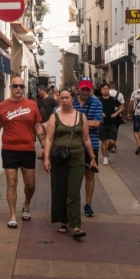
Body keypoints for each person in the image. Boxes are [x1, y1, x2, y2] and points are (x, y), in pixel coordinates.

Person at [43, 88, 96, 239]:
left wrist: (92, 157)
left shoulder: (81, 117)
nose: (65, 100)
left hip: (77, 159)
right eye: (62, 98)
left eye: (67, 97)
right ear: (58, 99)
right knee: (60, 190)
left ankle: (76, 226)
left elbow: (86, 140)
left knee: (73, 192)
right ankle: (64, 221)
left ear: (73, 99)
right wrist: (46, 158)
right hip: (58, 160)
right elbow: (48, 139)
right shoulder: (54, 117)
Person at [0, 76, 44, 228]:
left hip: (27, 149)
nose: (18, 89)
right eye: (15, 86)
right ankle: (13, 215)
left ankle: (26, 204)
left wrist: (45, 145)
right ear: (10, 88)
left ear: (24, 88)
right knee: (12, 182)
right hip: (9, 149)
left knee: (30, 184)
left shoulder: (32, 105)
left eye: (21, 86)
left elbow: (38, 126)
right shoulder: (2, 106)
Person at [73, 79, 103, 217]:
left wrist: (76, 123)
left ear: (91, 90)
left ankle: (88, 204)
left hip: (92, 143)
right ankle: (73, 203)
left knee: (89, 174)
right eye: (83, 89)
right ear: (79, 89)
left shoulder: (96, 103)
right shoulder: (71, 101)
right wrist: (87, 123)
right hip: (72, 144)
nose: (85, 92)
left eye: (87, 90)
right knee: (73, 174)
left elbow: (97, 123)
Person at [99, 83, 124, 165]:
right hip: (102, 123)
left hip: (112, 123)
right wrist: (100, 113)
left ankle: (108, 151)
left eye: (106, 88)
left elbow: (122, 107)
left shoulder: (113, 99)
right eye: (103, 88)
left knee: (112, 142)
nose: (105, 90)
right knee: (103, 141)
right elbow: (95, 109)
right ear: (101, 90)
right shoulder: (98, 100)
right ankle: (105, 158)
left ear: (109, 89)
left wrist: (116, 114)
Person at [35, 85, 58, 160]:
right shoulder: (40, 100)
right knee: (43, 138)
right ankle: (44, 151)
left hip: (48, 121)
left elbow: (58, 106)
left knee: (49, 138)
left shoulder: (51, 99)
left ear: (43, 91)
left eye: (39, 92)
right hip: (41, 121)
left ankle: (48, 153)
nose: (38, 93)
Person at [108, 82, 125, 151]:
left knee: (108, 130)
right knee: (115, 130)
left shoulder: (106, 93)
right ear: (116, 87)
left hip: (108, 114)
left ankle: (110, 143)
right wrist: (122, 115)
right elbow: (123, 105)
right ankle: (113, 145)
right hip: (117, 114)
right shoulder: (120, 94)